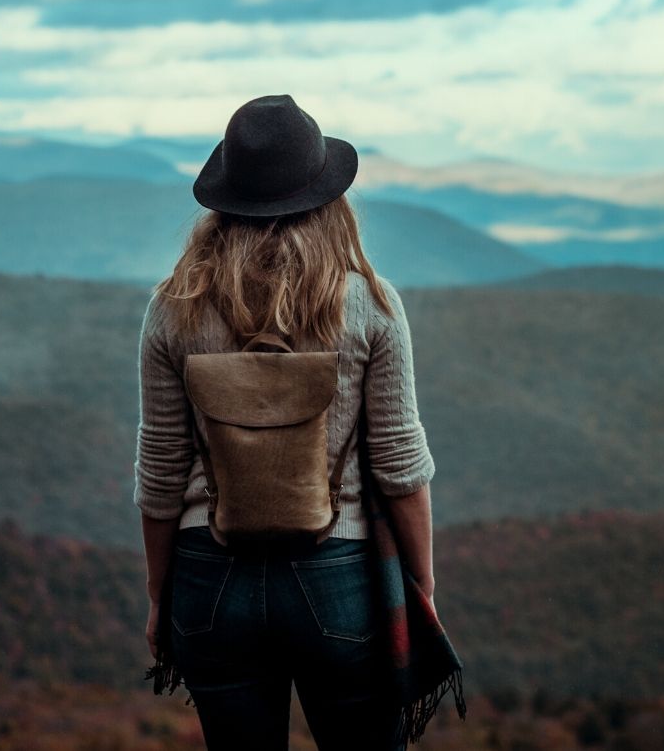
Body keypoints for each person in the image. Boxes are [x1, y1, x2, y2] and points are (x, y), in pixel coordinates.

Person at [133, 93, 439, 750]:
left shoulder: (171, 310)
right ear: (326, 197)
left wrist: (160, 595)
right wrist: (421, 586)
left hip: (208, 580)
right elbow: (400, 468)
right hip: (339, 578)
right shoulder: (371, 305)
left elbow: (160, 474)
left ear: (223, 202)